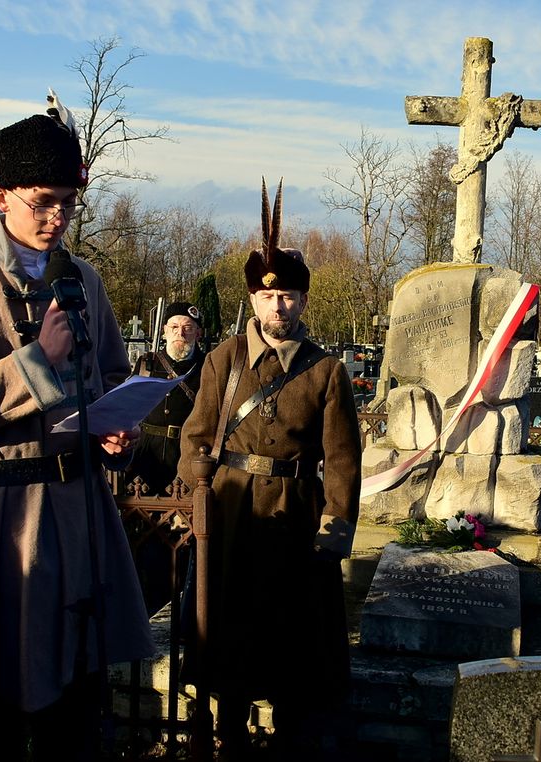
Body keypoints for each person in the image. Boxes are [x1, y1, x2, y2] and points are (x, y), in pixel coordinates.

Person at [0, 101, 154, 761]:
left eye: (69, 204)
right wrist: (35, 363)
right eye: (44, 202)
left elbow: (109, 374)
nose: (58, 218)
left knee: (78, 712)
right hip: (7, 522)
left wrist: (116, 430)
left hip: (86, 516)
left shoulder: (83, 280)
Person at [177, 180, 361, 761]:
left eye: (287, 298)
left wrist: (335, 531)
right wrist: (198, 498)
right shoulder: (223, 359)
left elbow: (343, 461)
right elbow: (196, 437)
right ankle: (230, 737)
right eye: (266, 298)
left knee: (293, 648)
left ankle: (291, 741)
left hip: (297, 523)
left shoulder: (327, 372)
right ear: (253, 301)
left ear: (303, 301)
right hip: (231, 518)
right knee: (228, 641)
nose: (276, 307)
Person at [126, 302, 205, 496]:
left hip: (186, 455)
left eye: (188, 328)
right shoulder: (147, 365)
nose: (181, 333)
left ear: (198, 333)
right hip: (146, 455)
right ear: (165, 331)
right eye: (175, 327)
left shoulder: (207, 367)